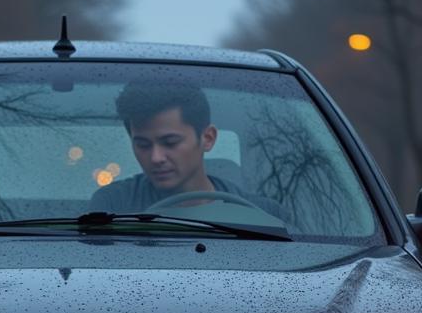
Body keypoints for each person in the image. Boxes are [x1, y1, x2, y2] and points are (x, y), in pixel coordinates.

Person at [89, 82, 287, 221]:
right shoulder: (112, 207)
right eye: (143, 144)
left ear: (208, 138)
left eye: (170, 142)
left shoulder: (264, 217)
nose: (156, 158)